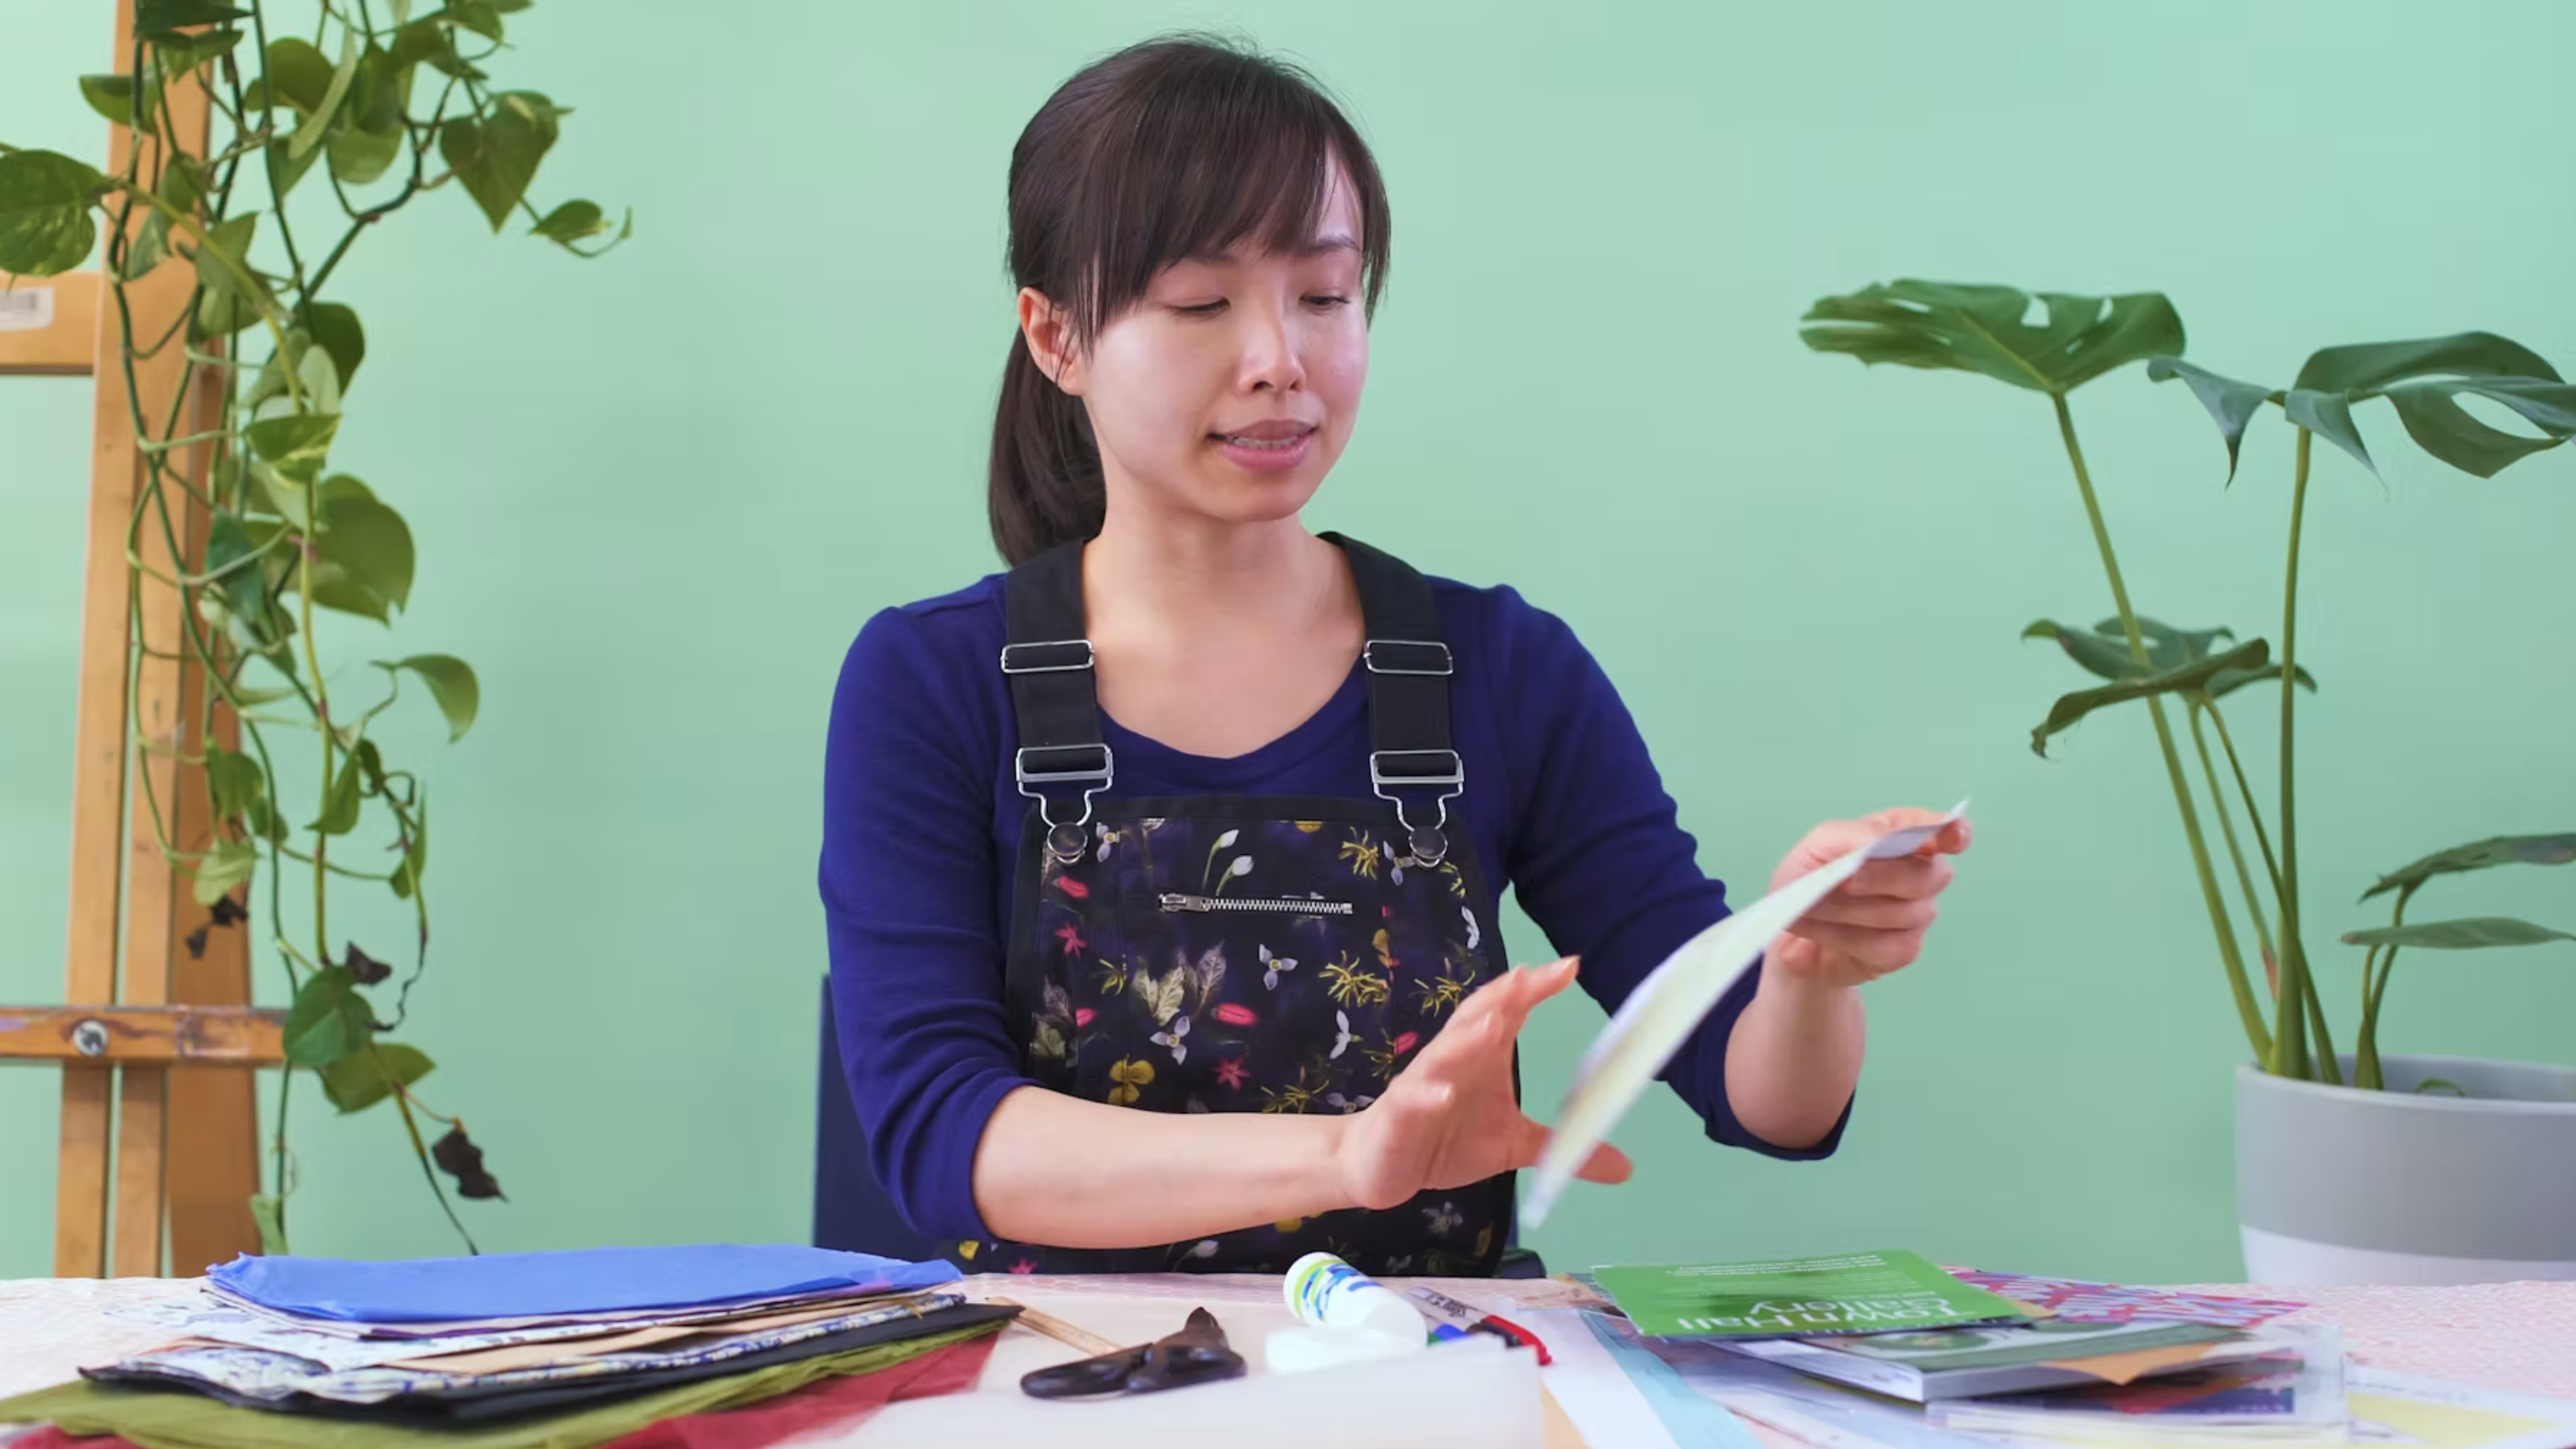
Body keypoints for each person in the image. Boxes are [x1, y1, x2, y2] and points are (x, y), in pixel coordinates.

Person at [819, 33, 1970, 1278]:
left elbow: (1764, 1101)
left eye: (1324, 294)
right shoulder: (931, 684)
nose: (1281, 361)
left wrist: (1803, 968)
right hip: (1067, 1383)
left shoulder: (1502, 668)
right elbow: (942, 1137)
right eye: (1202, 303)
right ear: (1056, 339)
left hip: (1430, 1379)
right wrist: (1346, 1155)